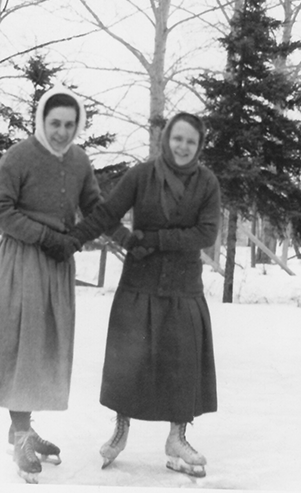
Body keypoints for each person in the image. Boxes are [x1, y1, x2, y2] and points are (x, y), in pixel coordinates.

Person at [0, 86, 111, 484]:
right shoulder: (19, 156)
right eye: (55, 124)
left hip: (57, 264)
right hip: (22, 261)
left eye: (69, 124)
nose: (63, 132)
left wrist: (88, 236)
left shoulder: (80, 160)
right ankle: (22, 436)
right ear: (41, 122)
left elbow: (95, 208)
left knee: (46, 347)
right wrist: (46, 237)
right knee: (23, 346)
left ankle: (21, 429)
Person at [69, 112, 220, 478]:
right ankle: (120, 431)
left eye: (191, 141)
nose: (182, 146)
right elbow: (106, 213)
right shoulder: (141, 175)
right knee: (129, 362)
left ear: (199, 146)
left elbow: (206, 233)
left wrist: (155, 239)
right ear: (166, 139)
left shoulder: (207, 183)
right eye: (177, 138)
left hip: (184, 288)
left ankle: (177, 438)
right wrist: (71, 240)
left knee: (182, 363)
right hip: (140, 285)